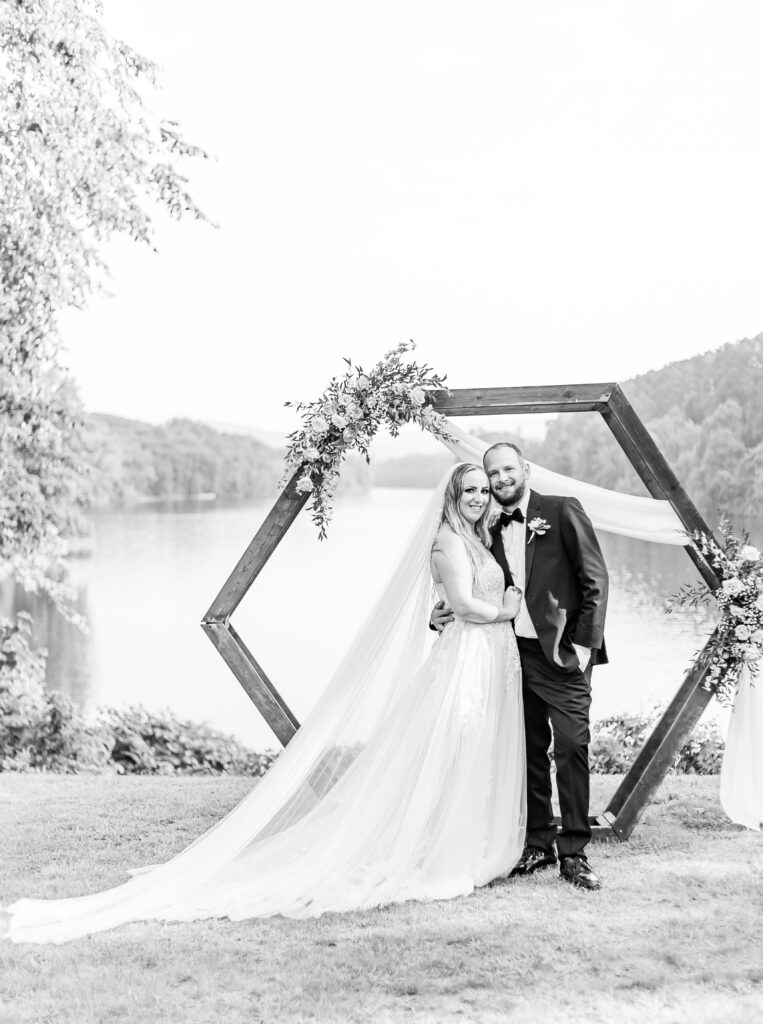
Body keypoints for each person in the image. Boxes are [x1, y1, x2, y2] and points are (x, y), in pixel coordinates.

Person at [2, 464, 527, 944]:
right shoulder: (446, 542)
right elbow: (460, 605)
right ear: (453, 496)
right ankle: (441, 857)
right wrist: (506, 610)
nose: (480, 497)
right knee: (453, 749)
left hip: (478, 657)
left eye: (484, 490)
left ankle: (463, 845)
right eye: (471, 490)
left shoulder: (478, 538)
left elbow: (450, 609)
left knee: (470, 752)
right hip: (465, 661)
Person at [432, 443, 609, 890]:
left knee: (571, 747)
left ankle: (574, 852)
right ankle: (537, 843)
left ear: (525, 469)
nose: (501, 478)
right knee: (526, 751)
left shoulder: (562, 509)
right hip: (512, 654)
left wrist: (584, 647)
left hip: (564, 656)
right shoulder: (486, 526)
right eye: (493, 473)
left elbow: (595, 580)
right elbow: (471, 585)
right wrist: (441, 614)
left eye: (508, 469)